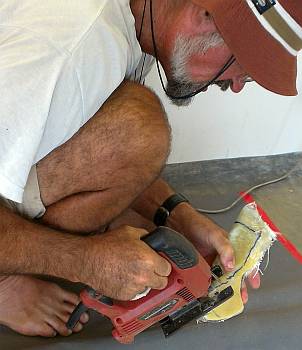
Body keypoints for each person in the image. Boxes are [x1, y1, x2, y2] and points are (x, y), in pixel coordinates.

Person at [0, 0, 300, 338]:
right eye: (241, 68)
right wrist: (84, 260)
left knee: (135, 136)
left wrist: (177, 215)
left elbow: (101, 142)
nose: (235, 85)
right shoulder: (68, 48)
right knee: (141, 127)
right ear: (202, 15)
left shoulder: (134, 22)